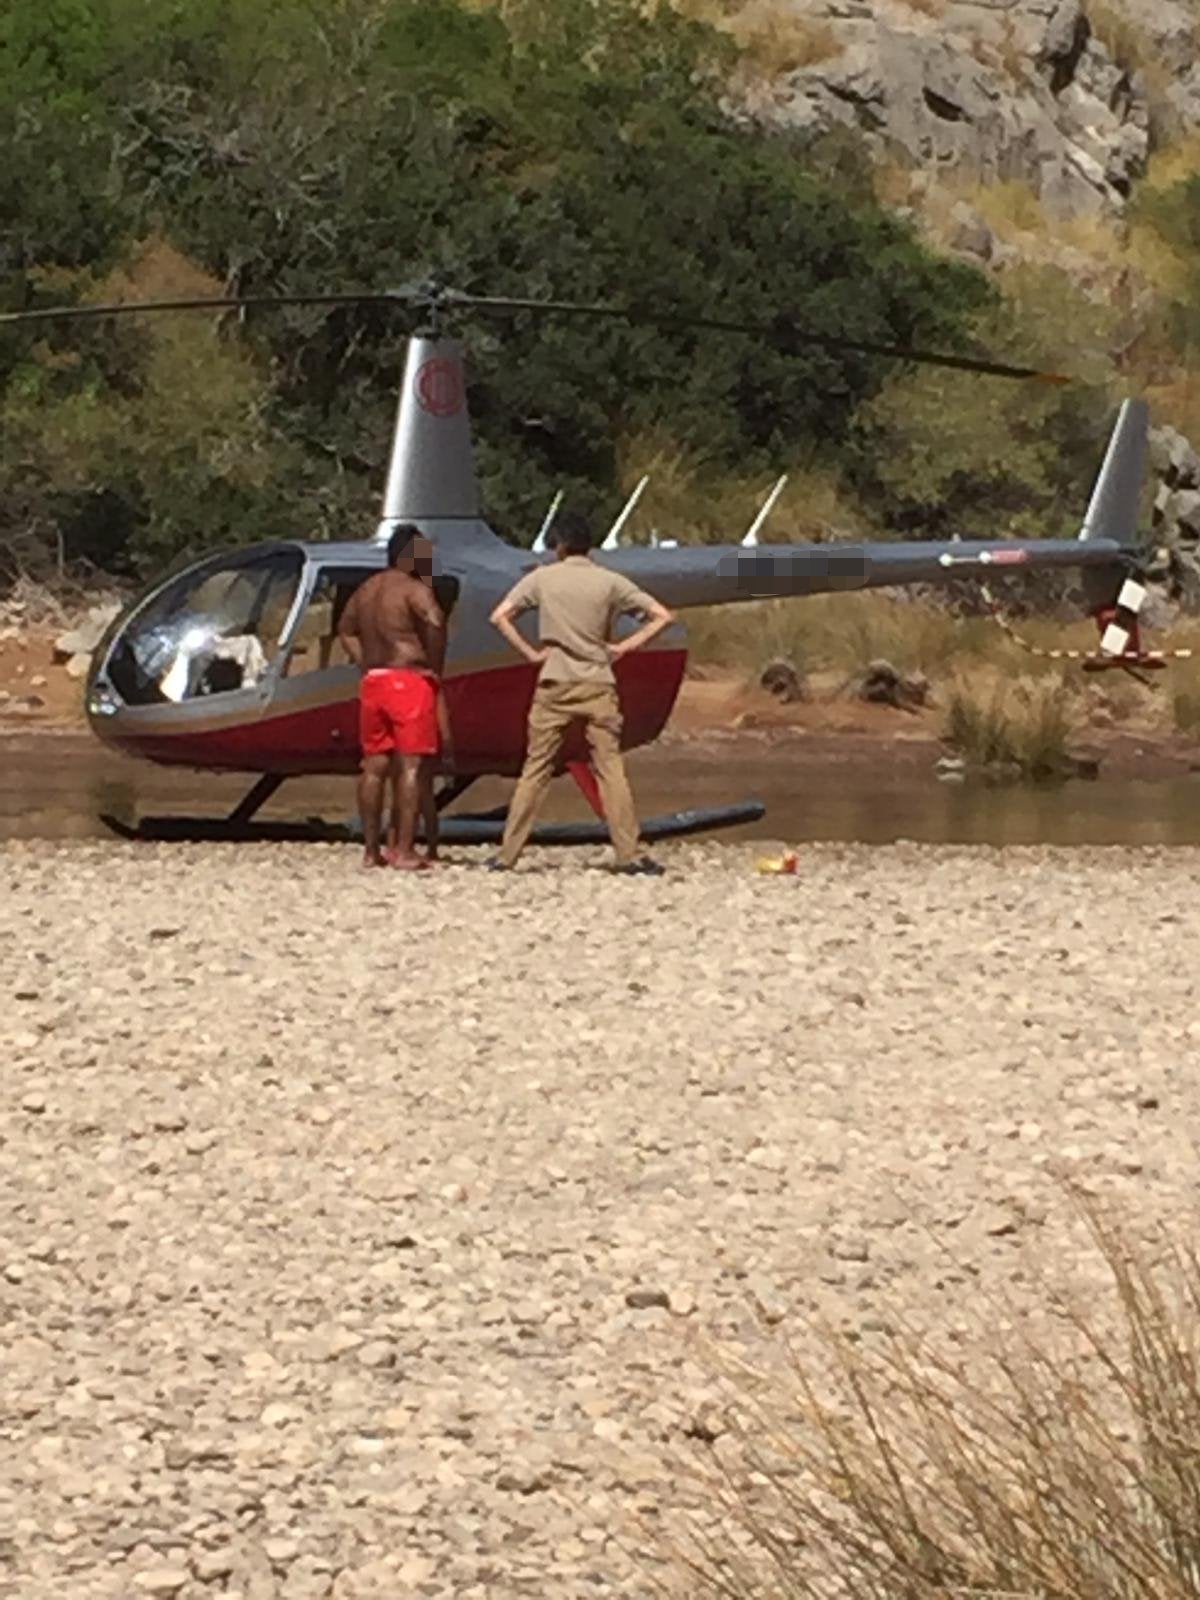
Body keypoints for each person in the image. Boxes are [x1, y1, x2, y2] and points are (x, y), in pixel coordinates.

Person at [487, 512, 675, 874]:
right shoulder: (610, 581)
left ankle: (507, 854)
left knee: (535, 769)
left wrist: (530, 653)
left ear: (558, 545)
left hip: (555, 680)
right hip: (598, 682)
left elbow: (500, 616)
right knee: (609, 768)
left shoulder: (542, 578)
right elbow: (662, 615)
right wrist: (624, 647)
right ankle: (629, 853)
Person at [337, 524, 448, 871]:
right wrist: (432, 664)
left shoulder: (366, 590)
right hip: (408, 679)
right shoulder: (414, 589)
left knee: (373, 766)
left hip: (374, 681)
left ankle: (371, 851)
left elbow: (345, 628)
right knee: (411, 766)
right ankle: (404, 848)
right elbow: (435, 621)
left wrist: (363, 661)